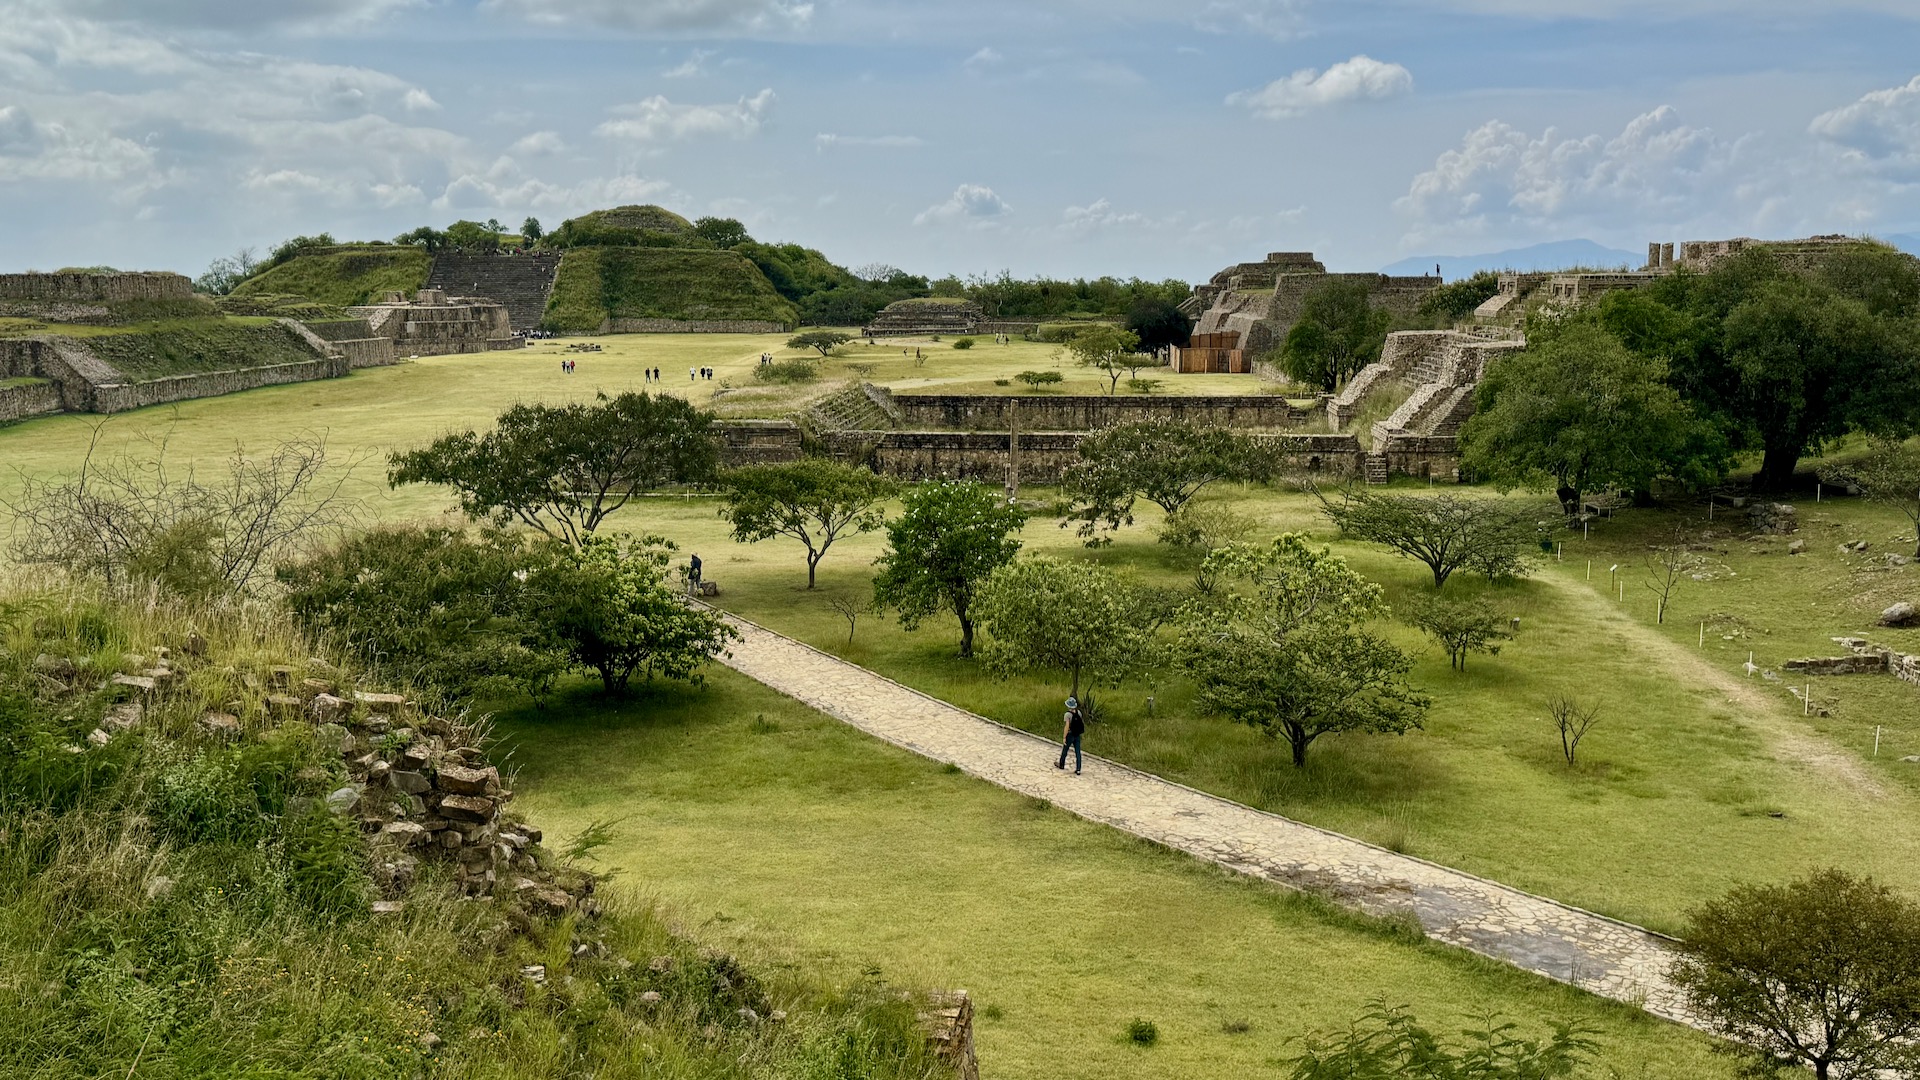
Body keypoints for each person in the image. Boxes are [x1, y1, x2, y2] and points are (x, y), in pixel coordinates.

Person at [1055, 697, 1085, 774]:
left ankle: (1061, 764)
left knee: (1065, 750)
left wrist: (1064, 737)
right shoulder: (1079, 713)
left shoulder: (1067, 714)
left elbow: (1067, 726)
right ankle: (1078, 768)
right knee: (1078, 751)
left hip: (1070, 734)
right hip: (1077, 734)